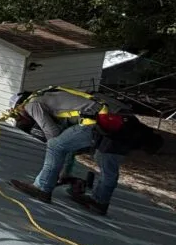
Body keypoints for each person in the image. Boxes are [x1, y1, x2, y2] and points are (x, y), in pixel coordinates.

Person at [9, 87, 162, 215]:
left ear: (19, 105)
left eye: (17, 113)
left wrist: (54, 170)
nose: (20, 116)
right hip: (122, 122)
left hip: (96, 122)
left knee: (55, 145)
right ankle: (99, 202)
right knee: (107, 164)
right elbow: (68, 142)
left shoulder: (32, 103)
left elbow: (53, 134)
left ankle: (42, 188)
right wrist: (65, 173)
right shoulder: (55, 94)